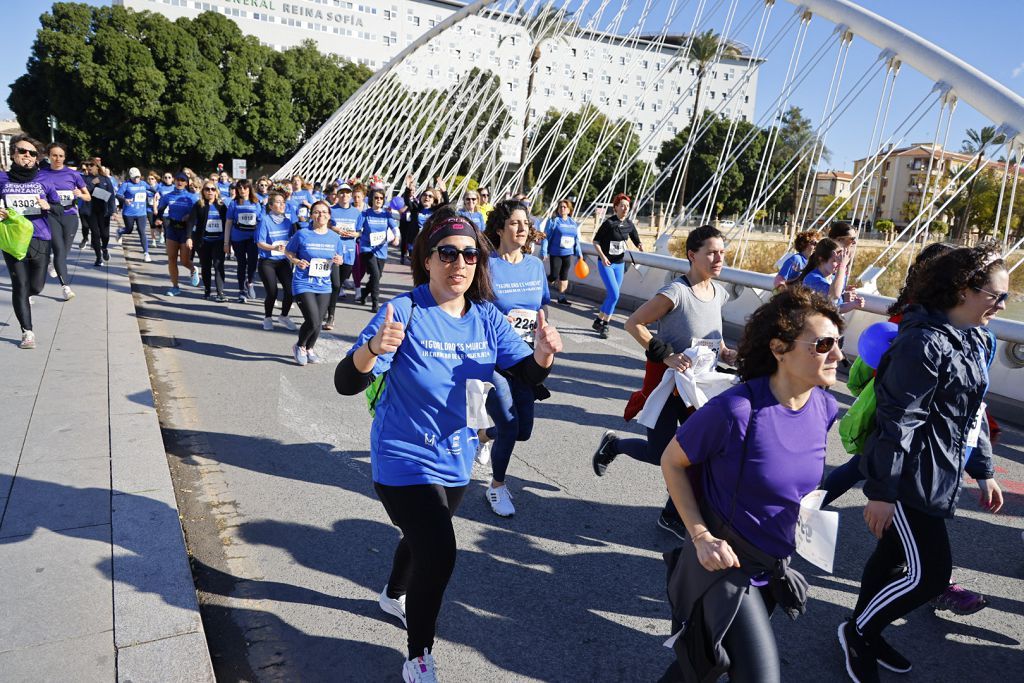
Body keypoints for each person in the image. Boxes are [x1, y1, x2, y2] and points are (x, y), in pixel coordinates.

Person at [333, 207, 562, 682]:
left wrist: (543, 355)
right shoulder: (405, 311)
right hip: (400, 456)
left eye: (470, 255)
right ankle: (418, 656)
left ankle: (391, 593)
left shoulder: (486, 319)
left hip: (455, 458)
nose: (460, 263)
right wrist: (373, 350)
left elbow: (524, 373)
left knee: (420, 537)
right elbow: (345, 383)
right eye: (448, 253)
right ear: (428, 259)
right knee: (439, 549)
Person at [839, 245, 1007, 683]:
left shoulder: (973, 338)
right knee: (932, 575)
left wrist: (983, 468)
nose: (1002, 304)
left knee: (893, 558)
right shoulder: (922, 342)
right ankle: (858, 632)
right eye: (996, 295)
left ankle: (866, 632)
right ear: (965, 290)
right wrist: (882, 493)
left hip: (939, 474)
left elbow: (973, 414)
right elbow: (899, 425)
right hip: (911, 480)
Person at [659, 286, 843, 683]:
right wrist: (701, 536)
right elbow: (672, 460)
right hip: (726, 567)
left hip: (772, 565)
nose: (838, 356)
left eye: (838, 344)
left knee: (704, 662)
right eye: (823, 344)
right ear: (779, 349)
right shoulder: (736, 409)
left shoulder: (826, 407)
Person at [593, 226, 736, 538]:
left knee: (701, 452)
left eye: (721, 252)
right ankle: (615, 445)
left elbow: (714, 340)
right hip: (669, 386)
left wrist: (727, 354)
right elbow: (634, 324)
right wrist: (667, 355)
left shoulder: (718, 293)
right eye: (711, 252)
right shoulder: (676, 292)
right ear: (691, 255)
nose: (718, 258)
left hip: (699, 387)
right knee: (662, 454)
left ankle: (672, 515)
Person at [475, 200, 551, 517]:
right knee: (508, 423)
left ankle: (483, 435)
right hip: (493, 359)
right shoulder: (485, 266)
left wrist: (545, 336)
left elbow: (542, 307)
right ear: (500, 229)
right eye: (516, 223)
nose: (523, 229)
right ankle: (497, 487)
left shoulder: (534, 265)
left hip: (525, 358)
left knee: (523, 431)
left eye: (526, 223)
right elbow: (472, 309)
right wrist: (495, 320)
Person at [0, 135, 65, 349]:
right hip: (13, 241)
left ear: (37, 158)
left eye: (32, 153)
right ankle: (27, 332)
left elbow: (60, 208)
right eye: (22, 151)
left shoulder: (44, 180)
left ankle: (28, 294)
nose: (27, 156)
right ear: (13, 154)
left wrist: (48, 206)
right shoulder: (2, 180)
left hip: (40, 238)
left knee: (36, 286)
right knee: (20, 285)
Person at [285, 200, 342, 365]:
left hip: (324, 284)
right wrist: (296, 261)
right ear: (311, 215)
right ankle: (300, 346)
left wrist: (339, 260)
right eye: (317, 212)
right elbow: (288, 251)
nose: (321, 215)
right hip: (303, 282)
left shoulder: (334, 237)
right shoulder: (302, 234)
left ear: (329, 216)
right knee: (313, 320)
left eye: (324, 212)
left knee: (318, 322)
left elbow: (339, 257)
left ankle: (310, 348)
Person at [39, 142, 89, 299]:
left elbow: (88, 196)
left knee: (64, 252)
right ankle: (66, 287)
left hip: (70, 216)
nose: (57, 158)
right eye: (54, 155)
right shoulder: (42, 173)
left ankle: (53, 261)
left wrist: (79, 194)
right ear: (48, 156)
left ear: (64, 157)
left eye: (61, 156)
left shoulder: (73, 175)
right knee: (60, 250)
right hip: (51, 215)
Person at [592, 193, 643, 338]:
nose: (625, 208)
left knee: (613, 295)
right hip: (606, 263)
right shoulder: (609, 223)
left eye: (627, 206)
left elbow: (634, 236)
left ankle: (598, 320)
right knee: (615, 294)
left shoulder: (629, 223)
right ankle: (605, 324)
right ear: (616, 207)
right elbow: (596, 242)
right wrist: (603, 257)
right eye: (622, 206)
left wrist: (639, 244)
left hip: (619, 264)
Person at [254, 191, 297, 328]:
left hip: (283, 261)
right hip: (267, 262)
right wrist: (274, 247)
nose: (282, 204)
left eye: (283, 202)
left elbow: (291, 240)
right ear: (271, 206)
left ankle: (284, 316)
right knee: (272, 292)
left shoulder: (288, 222)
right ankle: (267, 318)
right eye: (278, 202)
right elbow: (259, 243)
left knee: (291, 291)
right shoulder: (265, 221)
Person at [155, 171, 200, 296]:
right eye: (178, 180)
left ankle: (192, 268)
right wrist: (158, 218)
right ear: (175, 181)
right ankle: (175, 287)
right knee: (171, 258)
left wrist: (190, 217)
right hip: (172, 228)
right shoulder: (168, 196)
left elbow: (198, 216)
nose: (180, 182)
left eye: (183, 180)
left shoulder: (192, 197)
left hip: (186, 231)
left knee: (184, 260)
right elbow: (160, 209)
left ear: (186, 183)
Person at [791, 238, 865, 313]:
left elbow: (835, 308)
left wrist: (854, 304)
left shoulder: (832, 278)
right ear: (821, 260)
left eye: (840, 260)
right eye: (835, 261)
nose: (838, 263)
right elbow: (834, 296)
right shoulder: (812, 278)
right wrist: (842, 266)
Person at [356, 187, 399, 312]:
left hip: (381, 249)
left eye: (381, 198)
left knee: (377, 276)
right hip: (367, 248)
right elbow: (358, 230)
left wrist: (396, 237)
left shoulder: (387, 214)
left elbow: (395, 228)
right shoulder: (365, 214)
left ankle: (364, 293)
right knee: (375, 274)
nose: (379, 200)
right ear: (371, 199)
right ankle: (375, 303)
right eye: (376, 198)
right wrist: (356, 236)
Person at [324, 183, 360, 330]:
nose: (344, 195)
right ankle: (330, 316)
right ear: (337, 195)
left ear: (351, 195)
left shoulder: (357, 213)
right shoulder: (331, 211)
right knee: (336, 284)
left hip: (349, 253)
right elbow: (324, 225)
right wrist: (336, 229)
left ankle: (326, 307)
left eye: (347, 193)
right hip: (334, 252)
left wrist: (355, 234)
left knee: (338, 285)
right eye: (342, 193)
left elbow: (360, 231)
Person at [191, 181, 230, 301]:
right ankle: (207, 290)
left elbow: (228, 224)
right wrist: (189, 238)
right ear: (203, 191)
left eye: (213, 189)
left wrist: (228, 242)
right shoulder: (199, 205)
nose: (210, 192)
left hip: (218, 240)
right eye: (207, 189)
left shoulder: (222, 206)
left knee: (218, 265)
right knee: (206, 266)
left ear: (217, 191)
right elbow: (191, 222)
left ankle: (220, 292)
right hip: (204, 241)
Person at [226, 179, 263, 303]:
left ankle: (250, 282)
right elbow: (229, 222)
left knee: (252, 262)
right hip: (238, 237)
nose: (242, 190)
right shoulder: (234, 203)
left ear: (249, 189)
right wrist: (227, 242)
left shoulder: (256, 202)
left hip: (253, 237)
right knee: (241, 263)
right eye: (240, 188)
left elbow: (261, 221)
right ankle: (241, 290)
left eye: (245, 188)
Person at [540, 198, 583, 306]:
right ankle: (539, 288)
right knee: (554, 276)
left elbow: (576, 239)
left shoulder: (573, 223)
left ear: (569, 210)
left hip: (567, 253)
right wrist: (544, 251)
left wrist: (579, 253)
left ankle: (562, 297)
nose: (562, 209)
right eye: (560, 207)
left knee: (564, 276)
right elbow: (545, 237)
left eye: (565, 207)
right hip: (556, 253)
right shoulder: (553, 221)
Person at [82, 158, 116, 267]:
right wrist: (92, 183)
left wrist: (113, 210)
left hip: (104, 212)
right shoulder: (86, 179)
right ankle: (98, 258)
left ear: (97, 166)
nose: (89, 167)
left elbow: (110, 196)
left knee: (105, 235)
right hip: (91, 211)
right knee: (96, 235)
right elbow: (85, 191)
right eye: (88, 166)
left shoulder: (105, 179)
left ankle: (104, 248)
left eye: (91, 165)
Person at [117, 167, 153, 262]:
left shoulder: (143, 183)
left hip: (141, 213)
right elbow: (118, 194)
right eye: (134, 177)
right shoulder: (126, 184)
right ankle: (120, 231)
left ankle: (146, 253)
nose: (136, 179)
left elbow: (151, 189)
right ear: (130, 177)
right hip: (129, 212)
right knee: (129, 230)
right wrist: (125, 200)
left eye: (138, 177)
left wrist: (157, 193)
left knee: (142, 231)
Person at [152, 171, 176, 246]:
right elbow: (155, 198)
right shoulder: (161, 188)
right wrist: (155, 208)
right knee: (167, 229)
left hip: (174, 212)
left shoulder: (175, 188)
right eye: (165, 177)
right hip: (165, 212)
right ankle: (168, 246)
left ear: (172, 179)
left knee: (174, 230)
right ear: (163, 179)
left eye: (169, 177)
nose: (167, 179)